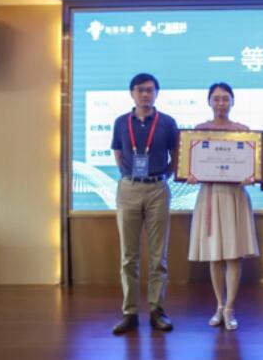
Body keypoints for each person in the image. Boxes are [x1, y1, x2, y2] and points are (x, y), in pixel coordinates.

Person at [110, 73, 179, 335]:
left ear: (157, 93)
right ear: (132, 93)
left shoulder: (167, 122)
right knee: (129, 256)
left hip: (157, 189)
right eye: (140, 90)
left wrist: (162, 176)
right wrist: (130, 175)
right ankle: (129, 312)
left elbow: (176, 156)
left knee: (158, 255)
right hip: (128, 188)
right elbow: (118, 153)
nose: (145, 94)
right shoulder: (121, 122)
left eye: (150, 90)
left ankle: (156, 310)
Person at [187, 82, 260, 331]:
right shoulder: (199, 132)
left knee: (233, 254)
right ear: (209, 101)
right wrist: (190, 174)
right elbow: (189, 166)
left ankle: (230, 308)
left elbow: (254, 168)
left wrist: (252, 175)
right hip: (209, 195)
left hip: (234, 196)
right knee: (215, 253)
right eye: (216, 98)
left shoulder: (243, 132)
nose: (221, 103)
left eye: (225, 98)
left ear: (232, 101)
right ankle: (219, 305)